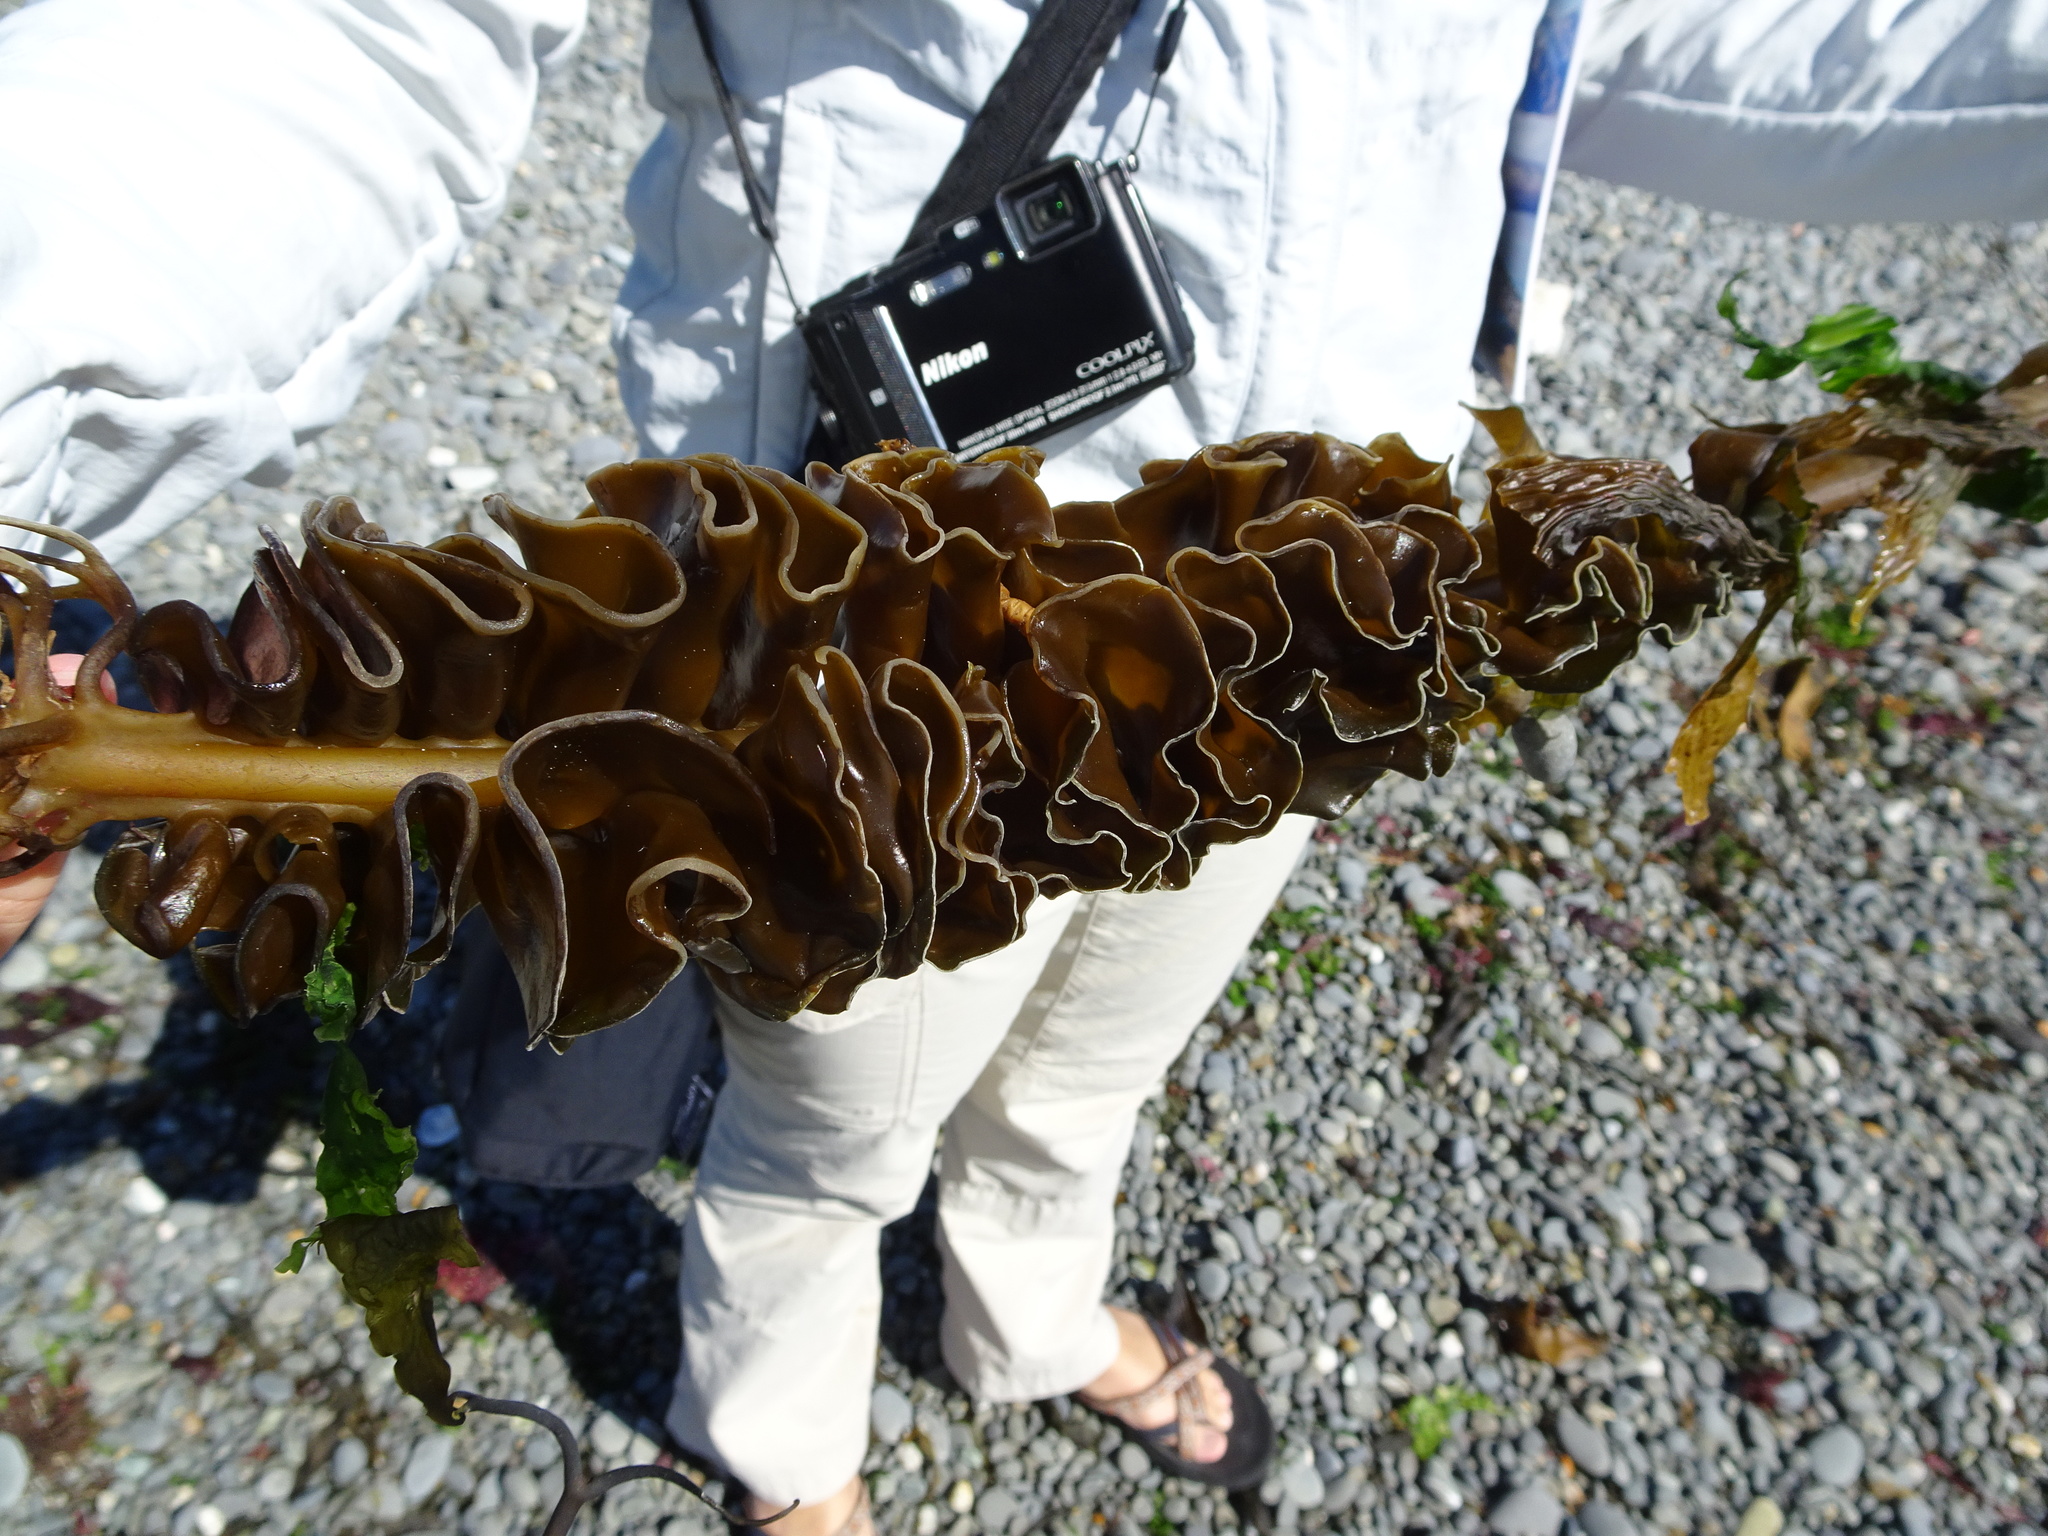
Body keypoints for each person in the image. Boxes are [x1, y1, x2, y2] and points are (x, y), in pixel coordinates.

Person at [0, 1, 2041, 1531]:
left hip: (1307, 639)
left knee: (1088, 1073)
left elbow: (1703, 39)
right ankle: (783, 1449)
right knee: (820, 1143)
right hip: (871, 662)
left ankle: (1029, 1318)